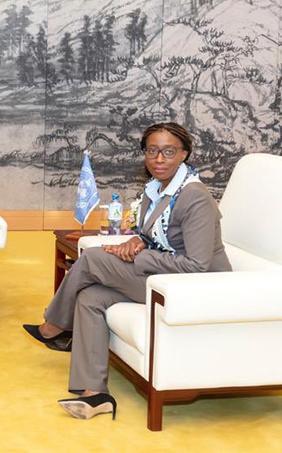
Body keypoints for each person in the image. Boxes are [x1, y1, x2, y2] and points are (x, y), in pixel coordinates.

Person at [24, 122, 232, 420]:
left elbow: (196, 266)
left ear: (185, 154)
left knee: (93, 259)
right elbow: (157, 234)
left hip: (196, 289)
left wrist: (142, 258)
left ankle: (53, 326)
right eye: (152, 151)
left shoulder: (194, 197)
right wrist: (137, 240)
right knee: (92, 296)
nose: (159, 159)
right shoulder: (156, 189)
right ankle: (94, 394)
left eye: (168, 151)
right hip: (164, 280)